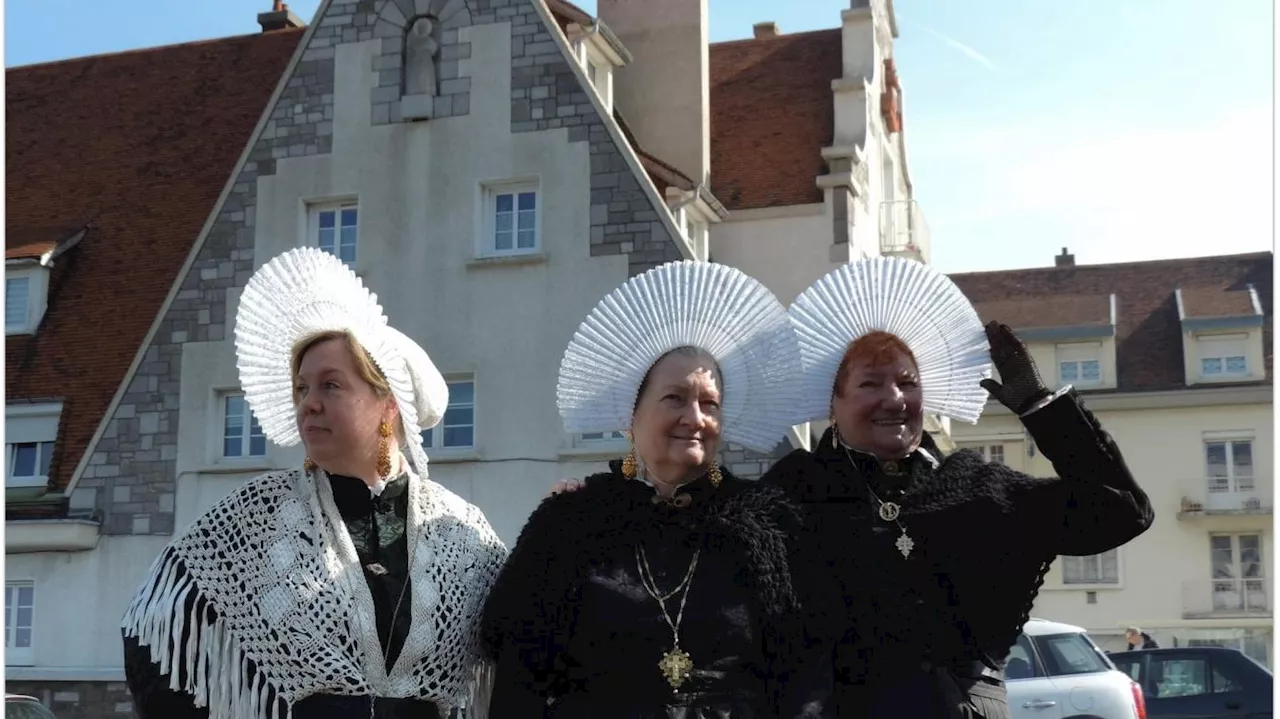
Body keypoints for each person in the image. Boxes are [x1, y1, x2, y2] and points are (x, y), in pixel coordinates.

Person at [121, 247, 508, 719]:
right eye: (303, 388)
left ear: (389, 405)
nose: (308, 403)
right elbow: (155, 632)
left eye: (331, 385)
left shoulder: (460, 532)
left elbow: (526, 649)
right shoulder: (256, 516)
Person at [765, 256, 1155, 719]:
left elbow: (1121, 510)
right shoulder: (792, 493)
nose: (895, 398)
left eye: (908, 383)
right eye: (871, 383)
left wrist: (1041, 409)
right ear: (834, 402)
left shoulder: (977, 490)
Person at [481, 260, 830, 718]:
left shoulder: (767, 524)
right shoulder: (571, 522)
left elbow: (805, 673)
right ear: (632, 414)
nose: (695, 418)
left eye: (710, 403)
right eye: (674, 398)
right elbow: (519, 675)